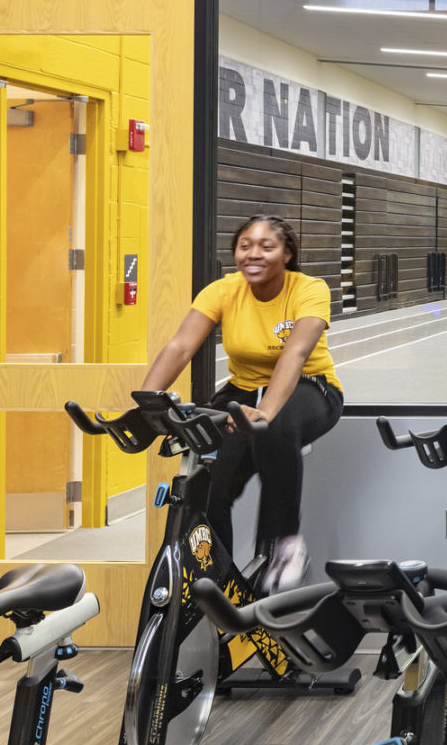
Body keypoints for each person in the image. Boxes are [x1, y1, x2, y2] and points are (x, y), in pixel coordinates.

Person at [138, 213, 342, 592]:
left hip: (312, 388)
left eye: (267, 246)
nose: (254, 254)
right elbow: (181, 346)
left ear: (287, 254)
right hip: (243, 391)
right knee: (211, 483)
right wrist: (147, 402)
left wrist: (264, 413)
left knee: (275, 427)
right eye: (245, 246)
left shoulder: (310, 289)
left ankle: (285, 545)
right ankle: (218, 575)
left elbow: (295, 354)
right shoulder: (224, 290)